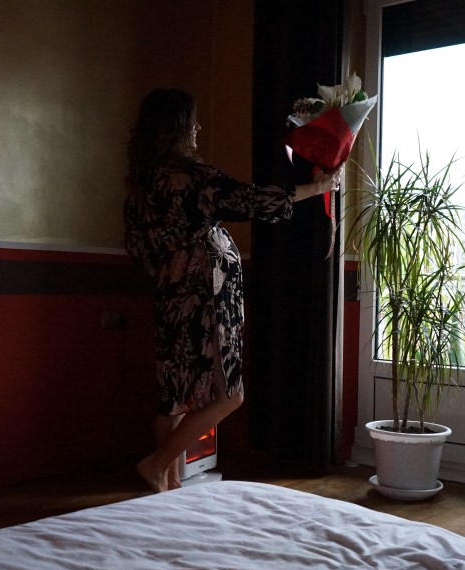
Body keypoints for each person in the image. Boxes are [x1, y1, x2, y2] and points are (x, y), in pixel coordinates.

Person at [124, 88, 340, 493]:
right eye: (192, 121)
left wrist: (171, 268)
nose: (198, 128)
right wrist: (317, 188)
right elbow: (250, 199)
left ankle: (166, 489)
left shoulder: (143, 182)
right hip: (205, 296)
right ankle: (157, 465)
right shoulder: (190, 178)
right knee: (230, 395)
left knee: (173, 395)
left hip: (171, 293)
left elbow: (138, 247)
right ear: (176, 127)